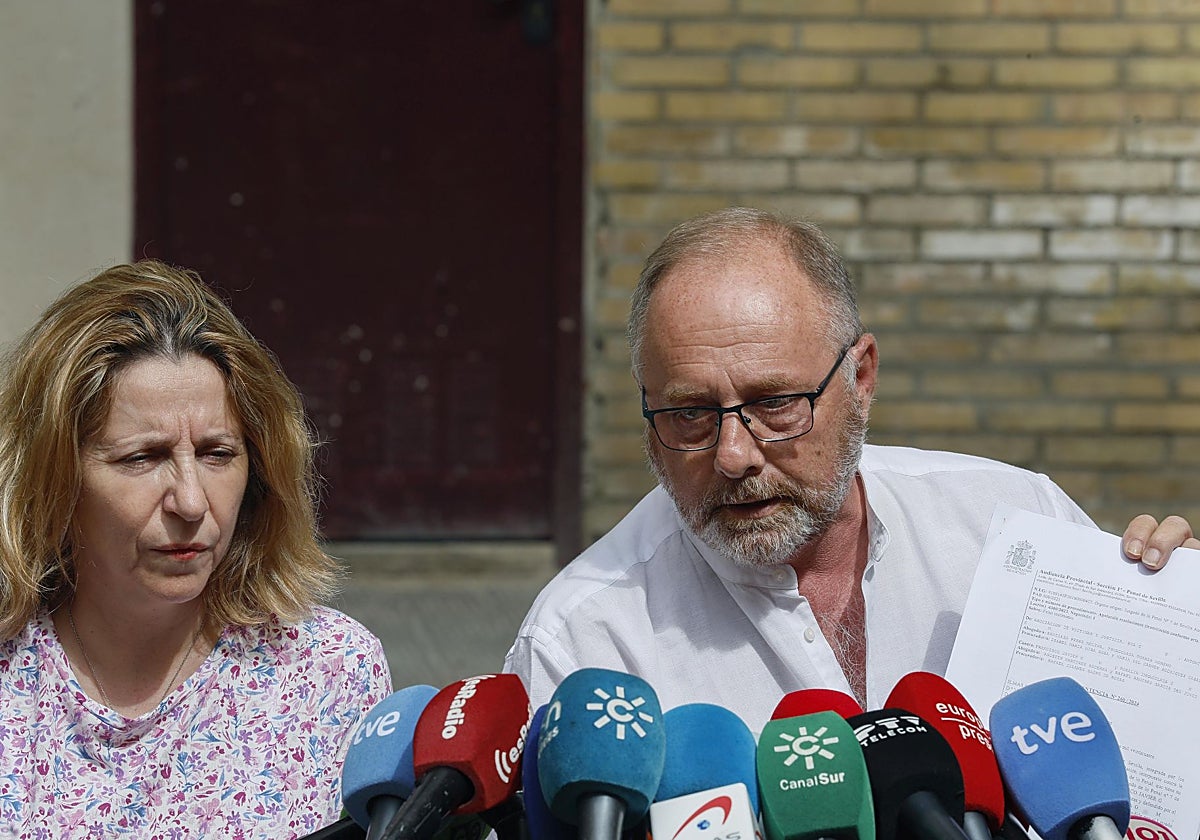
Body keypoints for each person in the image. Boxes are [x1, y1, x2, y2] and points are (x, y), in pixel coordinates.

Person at [503, 206, 1199, 729]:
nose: (734, 456)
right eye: (689, 414)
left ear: (861, 378)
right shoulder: (586, 646)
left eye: (775, 403)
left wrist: (1174, 630)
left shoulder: (1014, 525)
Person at [0, 261, 392, 838]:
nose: (190, 501)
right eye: (142, 458)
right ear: (52, 478)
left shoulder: (328, 669)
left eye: (217, 454)